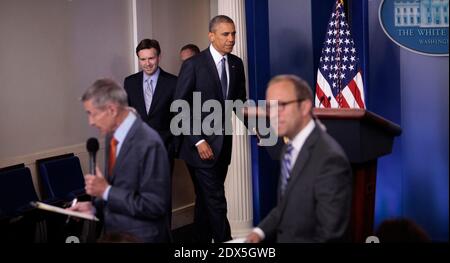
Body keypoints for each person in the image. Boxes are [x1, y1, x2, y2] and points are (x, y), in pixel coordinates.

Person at [246, 75, 352, 243]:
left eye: (281, 105)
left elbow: (329, 236)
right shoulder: (288, 149)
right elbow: (286, 205)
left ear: (304, 107)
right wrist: (259, 232)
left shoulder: (330, 159)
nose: (273, 115)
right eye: (269, 107)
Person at [69, 78, 171, 242]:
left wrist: (105, 191)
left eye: (92, 114)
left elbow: (154, 206)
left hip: (142, 238)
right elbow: (121, 189)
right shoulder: (112, 136)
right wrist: (95, 208)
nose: (91, 122)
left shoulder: (149, 142)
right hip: (114, 235)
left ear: (111, 110)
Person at [174, 15, 247, 243]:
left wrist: (259, 128)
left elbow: (239, 103)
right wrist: (198, 140)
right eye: (226, 34)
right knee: (216, 199)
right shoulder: (193, 65)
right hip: (200, 148)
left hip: (223, 146)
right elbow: (180, 107)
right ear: (211, 36)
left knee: (206, 201)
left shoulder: (236, 64)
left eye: (233, 33)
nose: (231, 39)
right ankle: (227, 243)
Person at [124, 39, 178, 163]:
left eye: (151, 58)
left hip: (164, 149)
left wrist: (173, 147)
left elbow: (179, 117)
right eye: (143, 59)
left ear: (159, 57)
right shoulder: (130, 82)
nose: (147, 63)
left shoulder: (173, 82)